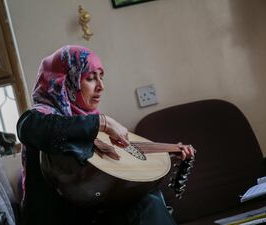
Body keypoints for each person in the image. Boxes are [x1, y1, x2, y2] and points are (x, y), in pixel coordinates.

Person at [16, 45, 195, 225]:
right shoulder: (43, 116)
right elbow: (26, 127)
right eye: (90, 78)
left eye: (101, 77)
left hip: (91, 213)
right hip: (57, 219)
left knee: (149, 199)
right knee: (146, 205)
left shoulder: (85, 121)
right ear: (67, 81)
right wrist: (104, 123)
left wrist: (163, 153)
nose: (101, 86)